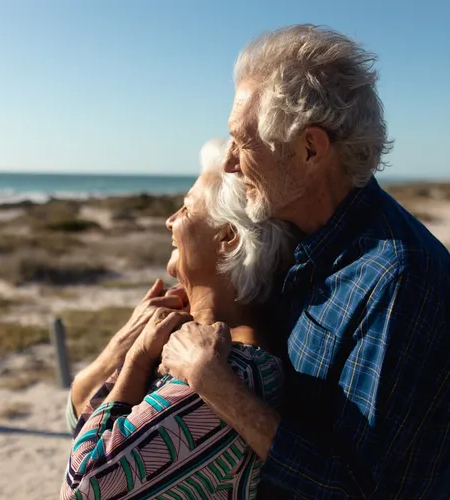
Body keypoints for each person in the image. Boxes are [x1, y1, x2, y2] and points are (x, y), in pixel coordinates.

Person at [159, 25, 450, 498]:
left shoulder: (396, 280)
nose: (230, 163)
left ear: (310, 149)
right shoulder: (306, 237)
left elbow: (358, 489)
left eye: (242, 141)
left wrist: (216, 385)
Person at [61, 139, 297, 499]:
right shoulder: (200, 345)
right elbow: (80, 416)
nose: (169, 221)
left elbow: (83, 487)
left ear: (228, 238)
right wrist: (125, 345)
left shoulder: (223, 370)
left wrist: (137, 360)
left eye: (186, 210)